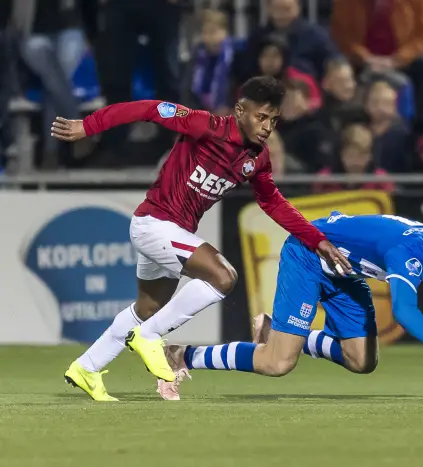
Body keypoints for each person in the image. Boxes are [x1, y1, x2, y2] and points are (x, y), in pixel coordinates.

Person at [50, 76, 352, 402]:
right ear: (240, 110)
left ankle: (87, 367)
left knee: (148, 308)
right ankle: (149, 338)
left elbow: (272, 201)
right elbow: (149, 109)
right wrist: (89, 125)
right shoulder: (204, 125)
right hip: (154, 224)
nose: (267, 127)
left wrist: (316, 239)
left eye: (273, 120)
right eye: (261, 117)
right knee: (224, 277)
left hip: (169, 231)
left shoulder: (257, 158)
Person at [156, 214, 423, 401]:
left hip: (346, 269)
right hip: (309, 255)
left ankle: (272, 328)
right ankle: (181, 354)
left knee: (362, 361)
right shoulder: (410, 253)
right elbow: (406, 314)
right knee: (278, 364)